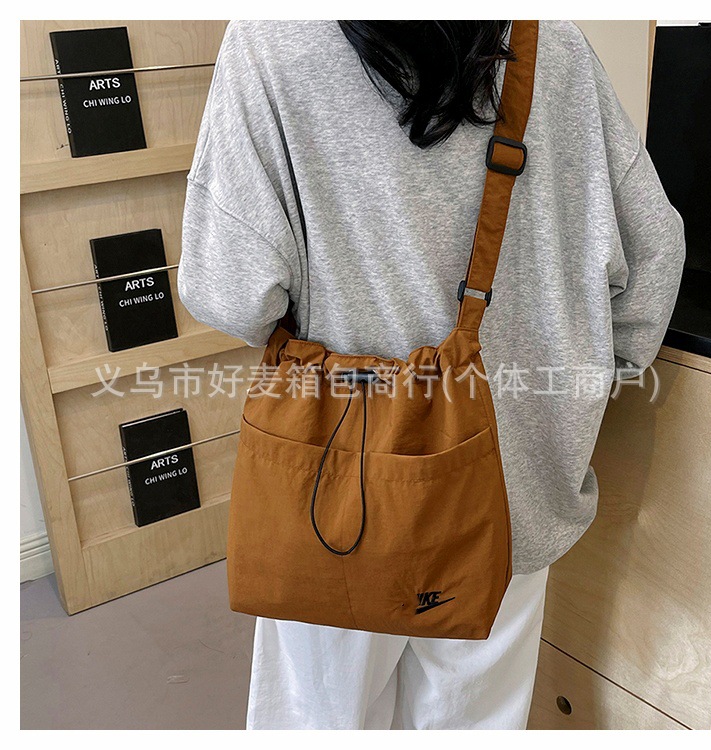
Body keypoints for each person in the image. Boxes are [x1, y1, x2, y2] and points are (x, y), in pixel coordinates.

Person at [178, 20, 685, 730]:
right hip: (510, 489)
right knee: (475, 723)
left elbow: (230, 290)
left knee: (323, 721)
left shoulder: (271, 38)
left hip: (337, 485)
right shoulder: (554, 45)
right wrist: (582, 390)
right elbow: (654, 247)